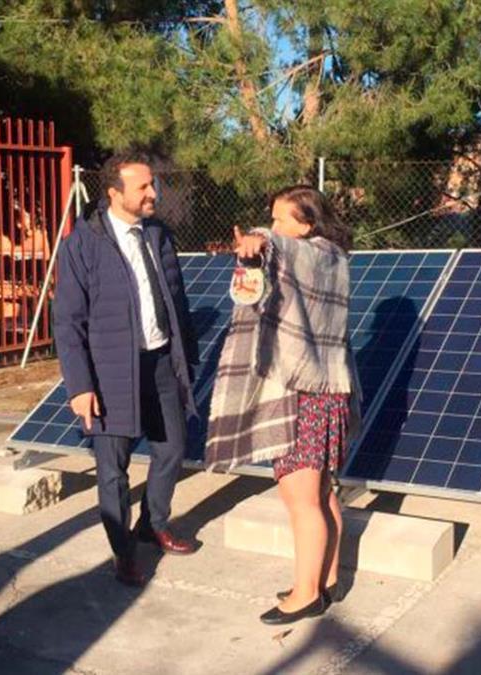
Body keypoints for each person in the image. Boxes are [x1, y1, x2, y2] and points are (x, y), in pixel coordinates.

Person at [206, 185, 359, 625]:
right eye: (270, 219)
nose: (273, 225)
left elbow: (280, 248)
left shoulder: (308, 254)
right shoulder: (332, 257)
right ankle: (326, 581)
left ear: (306, 225)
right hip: (327, 389)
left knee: (301, 499)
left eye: (280, 218)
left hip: (301, 394)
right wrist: (263, 247)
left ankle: (306, 594)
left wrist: (261, 239)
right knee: (323, 493)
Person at [53, 149, 200, 587]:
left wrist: (184, 356)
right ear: (115, 193)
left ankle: (152, 524)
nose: (154, 192)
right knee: (113, 469)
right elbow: (67, 321)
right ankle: (123, 552)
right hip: (111, 371)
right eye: (144, 186)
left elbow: (177, 301)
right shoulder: (83, 243)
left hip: (160, 364)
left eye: (153, 184)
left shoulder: (158, 234)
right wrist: (79, 385)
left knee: (172, 449)